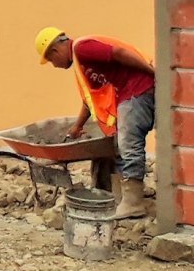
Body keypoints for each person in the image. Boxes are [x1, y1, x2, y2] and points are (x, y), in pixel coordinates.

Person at [35, 26, 155, 219]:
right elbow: (88, 100)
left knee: (129, 142)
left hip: (137, 88)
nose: (54, 65)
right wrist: (77, 127)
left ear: (56, 51)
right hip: (130, 91)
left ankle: (133, 202)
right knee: (122, 143)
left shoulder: (82, 48)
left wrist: (151, 72)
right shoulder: (81, 65)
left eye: (51, 60)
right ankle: (121, 196)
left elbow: (119, 53)